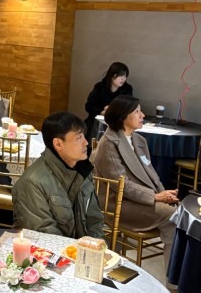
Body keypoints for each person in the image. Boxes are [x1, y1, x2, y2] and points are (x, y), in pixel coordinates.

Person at [91, 95, 177, 269]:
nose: (142, 115)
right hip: (118, 203)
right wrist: (155, 197)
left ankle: (176, 275)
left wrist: (165, 194)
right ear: (123, 116)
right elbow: (121, 184)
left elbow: (151, 174)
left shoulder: (139, 140)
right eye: (137, 111)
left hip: (140, 199)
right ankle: (174, 278)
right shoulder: (109, 143)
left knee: (180, 215)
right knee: (173, 216)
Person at [12, 111, 104, 239]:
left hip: (79, 248)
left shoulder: (83, 171)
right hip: (47, 249)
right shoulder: (32, 183)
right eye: (78, 138)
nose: (86, 142)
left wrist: (97, 247)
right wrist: (77, 249)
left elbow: (95, 221)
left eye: (83, 136)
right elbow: (44, 236)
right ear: (58, 144)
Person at [84, 61, 133, 140]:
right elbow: (89, 106)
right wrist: (102, 112)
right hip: (97, 122)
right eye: (120, 75)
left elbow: (129, 108)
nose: (123, 79)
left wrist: (112, 110)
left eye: (125, 76)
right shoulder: (99, 87)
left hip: (116, 123)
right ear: (112, 75)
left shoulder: (127, 89)